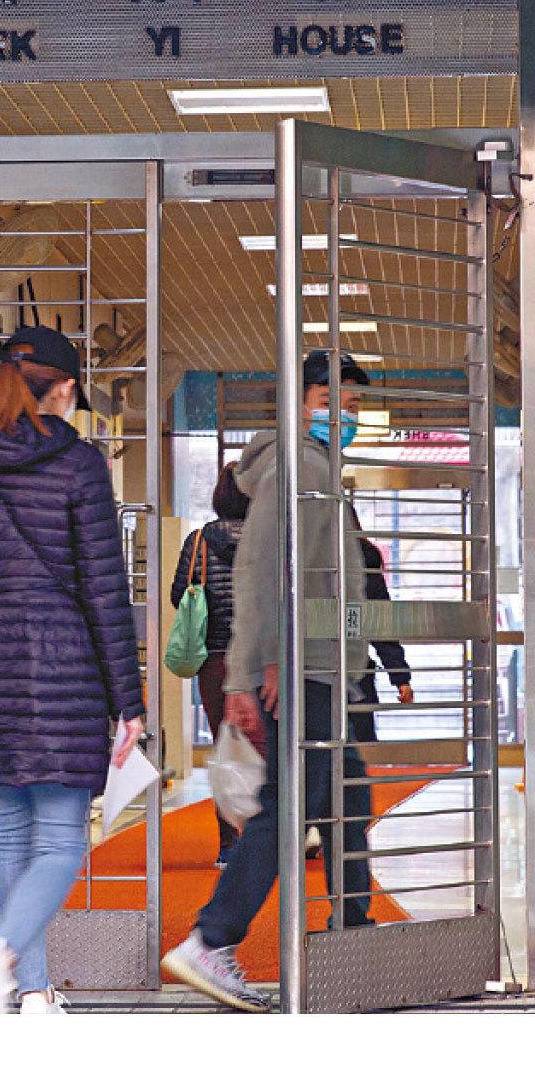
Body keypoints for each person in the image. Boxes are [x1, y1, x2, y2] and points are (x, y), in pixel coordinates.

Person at [0, 326, 146, 1015]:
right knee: (60, 841)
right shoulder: (78, 464)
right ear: (63, 389)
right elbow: (103, 589)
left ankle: (30, 996)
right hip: (60, 664)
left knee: (17, 839)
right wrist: (128, 700)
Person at [161, 350, 375, 1012]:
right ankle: (211, 939)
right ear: (299, 401)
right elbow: (262, 572)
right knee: (288, 812)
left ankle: (353, 933)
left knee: (346, 798)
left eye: (353, 404)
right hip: (302, 670)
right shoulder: (298, 468)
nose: (346, 414)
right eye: (332, 400)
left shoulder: (315, 468)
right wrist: (256, 670)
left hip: (321, 666)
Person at [169, 462, 249, 868]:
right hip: (261, 658)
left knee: (223, 747)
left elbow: (178, 594)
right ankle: (267, 834)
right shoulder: (272, 537)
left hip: (214, 659)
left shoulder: (198, 540)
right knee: (268, 744)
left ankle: (228, 843)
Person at [350, 524, 414, 745]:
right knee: (361, 746)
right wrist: (401, 678)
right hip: (357, 673)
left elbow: (380, 625)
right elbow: (382, 628)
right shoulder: (365, 562)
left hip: (318, 675)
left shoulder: (306, 563)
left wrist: (401, 677)